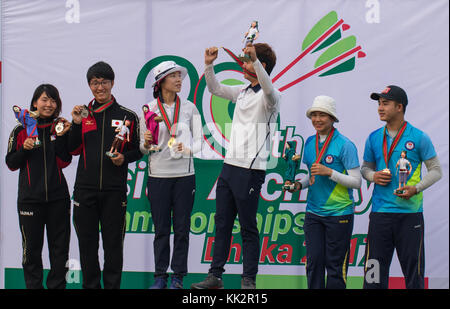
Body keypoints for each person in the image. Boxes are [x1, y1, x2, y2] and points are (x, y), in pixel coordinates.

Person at [191, 42, 280, 289]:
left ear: (261, 66)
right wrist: (209, 65)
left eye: (248, 60)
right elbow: (215, 89)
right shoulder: (242, 91)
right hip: (229, 167)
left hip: (251, 170)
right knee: (222, 223)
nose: (243, 64)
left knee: (248, 226)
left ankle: (248, 279)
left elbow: (269, 88)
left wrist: (257, 62)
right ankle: (215, 276)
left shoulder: (271, 96)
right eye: (244, 60)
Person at [68, 61, 142, 289]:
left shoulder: (127, 115)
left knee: (113, 248)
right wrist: (75, 123)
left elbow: (138, 149)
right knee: (87, 248)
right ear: (89, 85)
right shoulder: (82, 114)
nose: (99, 87)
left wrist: (124, 159)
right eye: (94, 83)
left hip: (114, 192)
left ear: (112, 83)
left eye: (104, 82)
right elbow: (72, 150)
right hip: (85, 192)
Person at [361, 85, 442, 289]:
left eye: (385, 103)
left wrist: (416, 188)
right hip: (380, 214)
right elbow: (365, 169)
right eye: (379, 104)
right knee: (373, 274)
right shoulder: (373, 137)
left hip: (410, 215)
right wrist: (373, 176)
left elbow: (436, 170)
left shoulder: (418, 137)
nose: (380, 108)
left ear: (399, 107)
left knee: (413, 275)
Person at [140, 60, 203, 289]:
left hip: (185, 175)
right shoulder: (148, 109)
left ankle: (178, 276)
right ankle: (160, 277)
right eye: (173, 76)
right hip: (158, 175)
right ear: (161, 82)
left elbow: (200, 142)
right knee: (161, 229)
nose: (178, 80)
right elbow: (142, 148)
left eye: (180, 76)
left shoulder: (189, 108)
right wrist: (146, 142)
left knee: (182, 228)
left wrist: (188, 149)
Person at [290, 95, 361, 289]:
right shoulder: (309, 143)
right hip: (313, 214)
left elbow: (356, 182)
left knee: (335, 267)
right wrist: (299, 185)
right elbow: (312, 177)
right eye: (314, 115)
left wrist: (330, 172)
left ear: (332, 118)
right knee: (313, 264)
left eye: (322, 115)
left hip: (339, 214)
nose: (317, 119)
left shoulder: (345, 145)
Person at [6, 84, 72, 289]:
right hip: (30, 200)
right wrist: (24, 149)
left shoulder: (59, 126)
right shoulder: (20, 130)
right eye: (44, 99)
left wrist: (60, 138)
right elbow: (11, 163)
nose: (49, 104)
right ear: (35, 102)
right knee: (31, 252)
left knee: (59, 252)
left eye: (53, 100)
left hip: (58, 199)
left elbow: (65, 161)